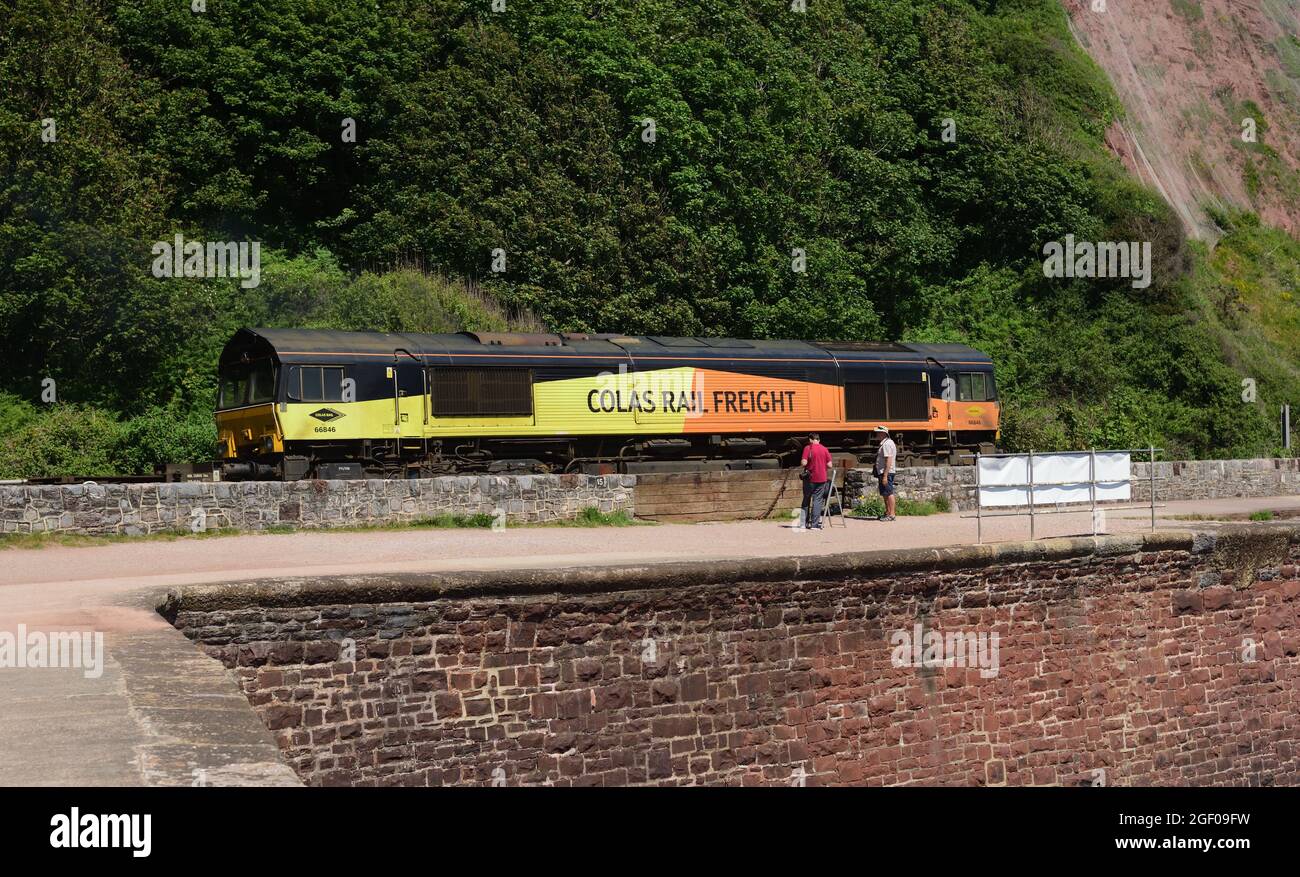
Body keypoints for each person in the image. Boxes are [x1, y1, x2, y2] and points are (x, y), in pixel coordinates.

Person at [799, 433, 832, 529]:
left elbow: (804, 462)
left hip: (809, 478)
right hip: (821, 478)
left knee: (806, 499)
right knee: (817, 500)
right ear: (819, 440)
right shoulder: (824, 449)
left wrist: (803, 462)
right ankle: (814, 524)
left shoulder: (807, 448)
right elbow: (830, 465)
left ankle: (803, 524)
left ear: (810, 440)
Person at [873, 425, 897, 521]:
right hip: (883, 472)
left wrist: (885, 476)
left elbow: (888, 460)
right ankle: (887, 512)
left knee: (889, 492)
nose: (877, 434)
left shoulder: (887, 444)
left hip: (886, 472)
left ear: (883, 433)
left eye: (878, 432)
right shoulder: (885, 443)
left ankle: (891, 514)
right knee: (885, 493)